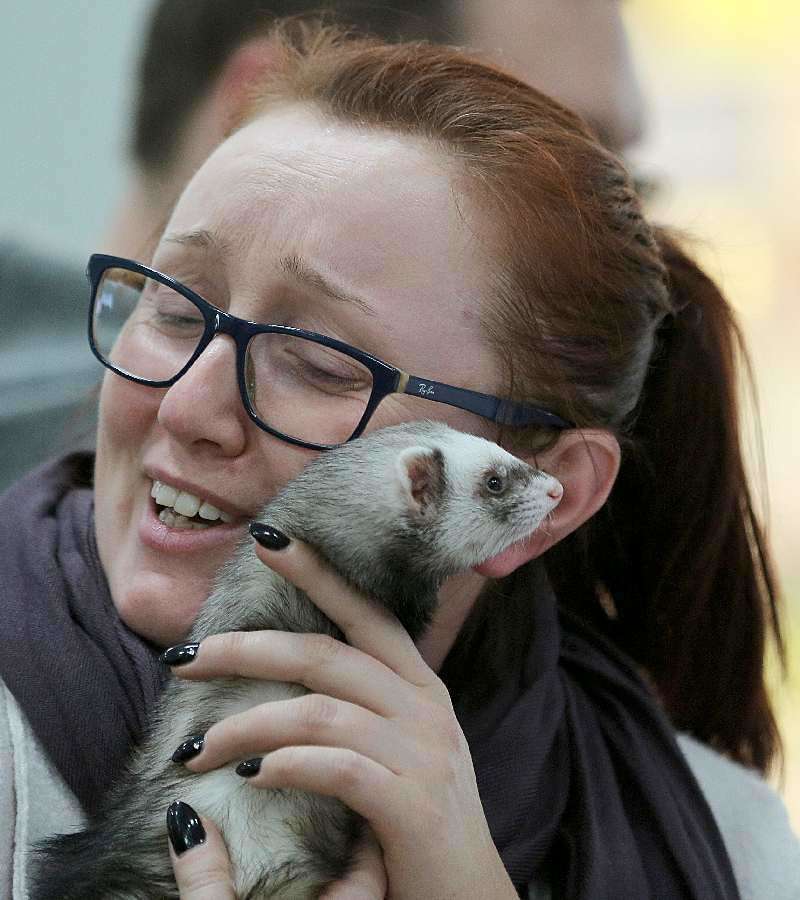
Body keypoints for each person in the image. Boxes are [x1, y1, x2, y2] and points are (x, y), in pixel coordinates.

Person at [4, 17, 798, 900]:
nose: (187, 406)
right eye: (175, 309)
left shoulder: (736, 851)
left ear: (552, 498)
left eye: (319, 363)